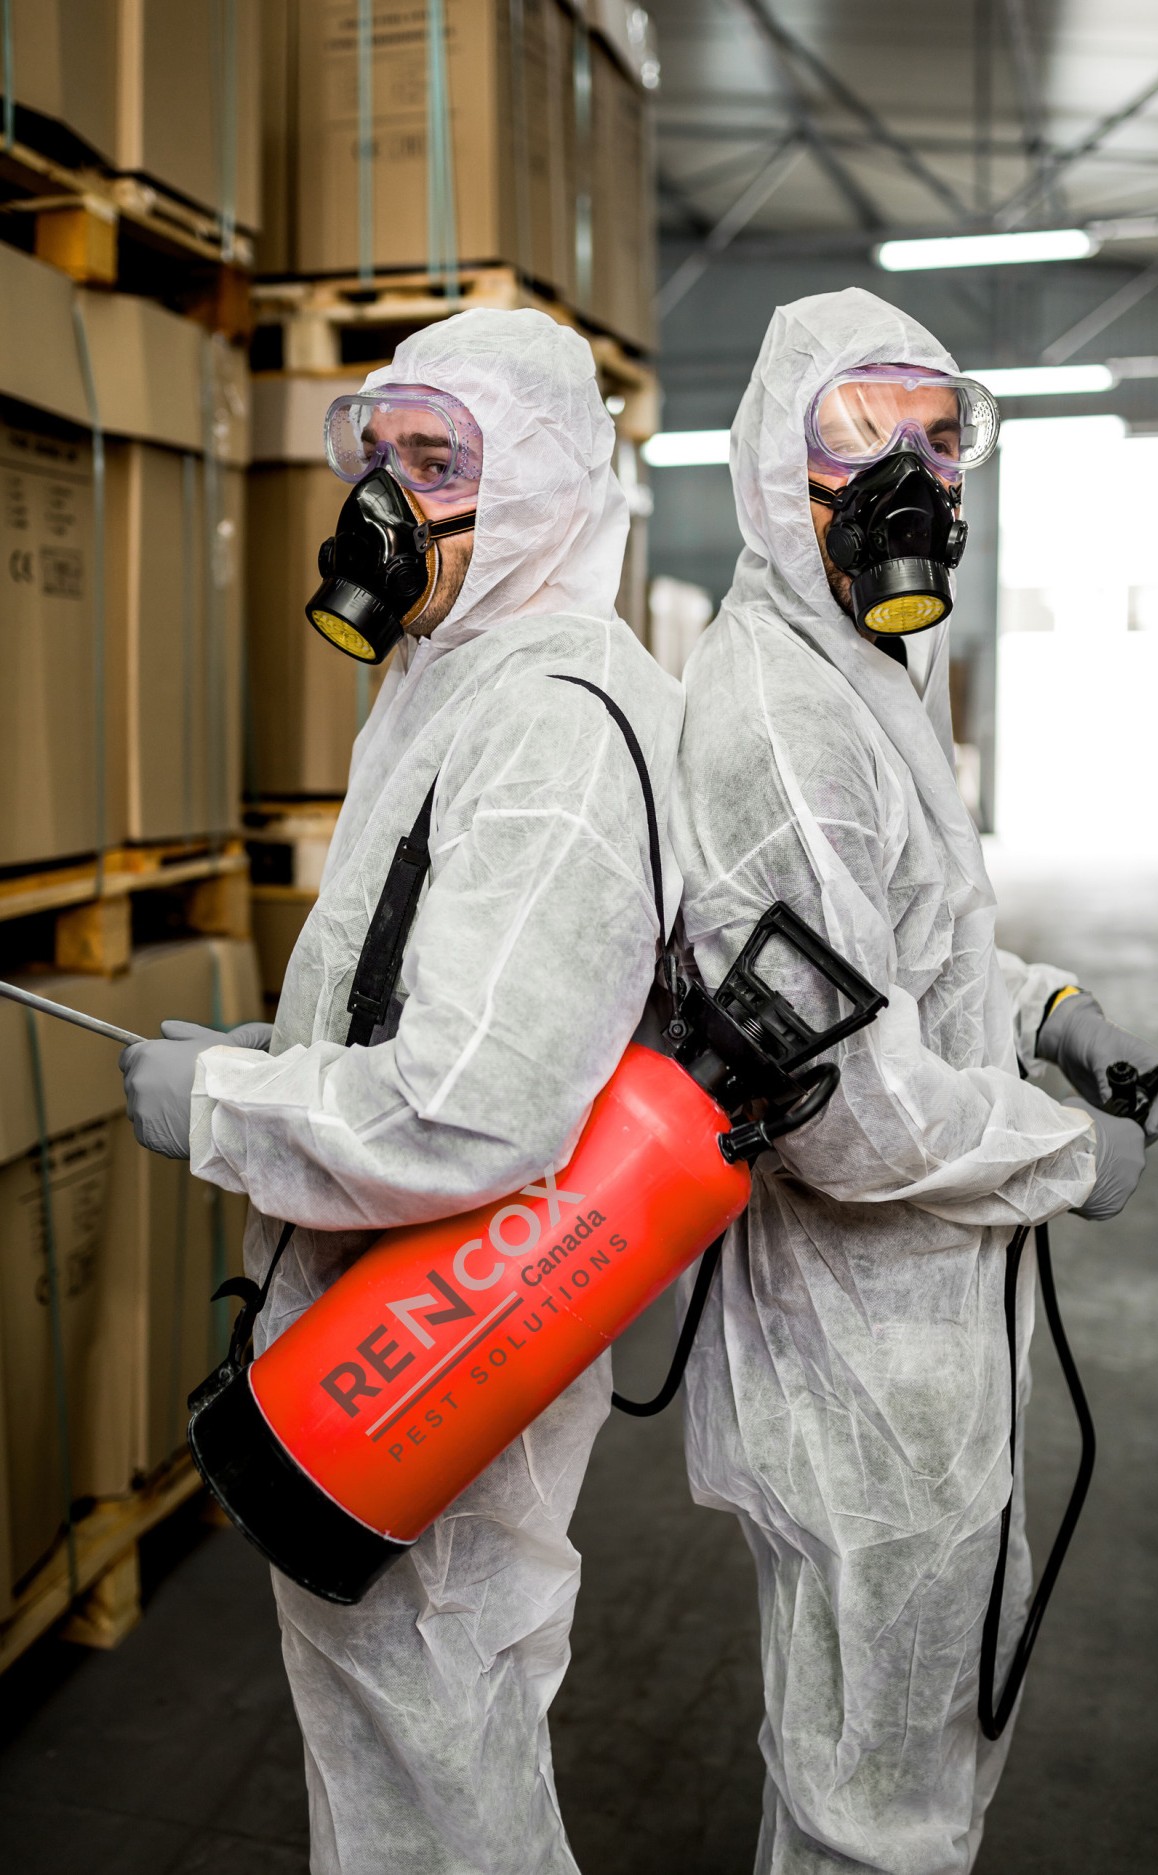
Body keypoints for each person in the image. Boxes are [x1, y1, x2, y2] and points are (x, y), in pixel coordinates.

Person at [120, 307, 683, 1875]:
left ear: (546, 488)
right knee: (410, 1755)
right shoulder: (457, 674)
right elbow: (439, 975)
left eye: (438, 462)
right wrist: (293, 1040)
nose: (385, 497)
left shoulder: (555, 723)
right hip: (395, 1304)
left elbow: (478, 1108)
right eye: (379, 454)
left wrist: (226, 1105)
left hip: (447, 1321)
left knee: (441, 1766)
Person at [671, 288, 1158, 1875]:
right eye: (856, 431)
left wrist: (1049, 1012)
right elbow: (845, 1102)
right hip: (863, 1347)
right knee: (876, 1806)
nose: (910, 475)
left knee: (877, 1762)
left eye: (940, 436)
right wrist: (1068, 1155)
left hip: (913, 1323)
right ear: (777, 466)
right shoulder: (781, 722)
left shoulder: (865, 670)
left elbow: (898, 951)